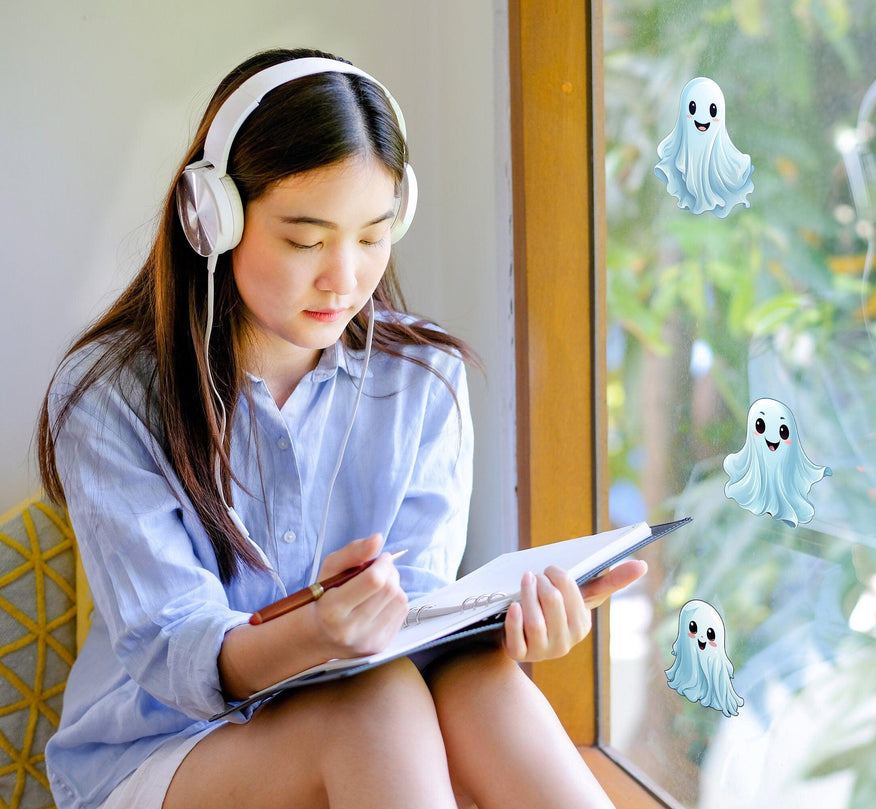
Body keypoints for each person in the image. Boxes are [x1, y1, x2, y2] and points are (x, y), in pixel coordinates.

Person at [37, 47, 644, 809]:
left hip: (366, 718)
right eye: (306, 240)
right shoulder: (111, 393)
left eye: (372, 235)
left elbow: (419, 619)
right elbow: (172, 650)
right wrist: (317, 632)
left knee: (479, 680)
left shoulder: (422, 377)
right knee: (373, 703)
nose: (345, 278)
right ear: (212, 219)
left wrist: (511, 630)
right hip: (161, 748)